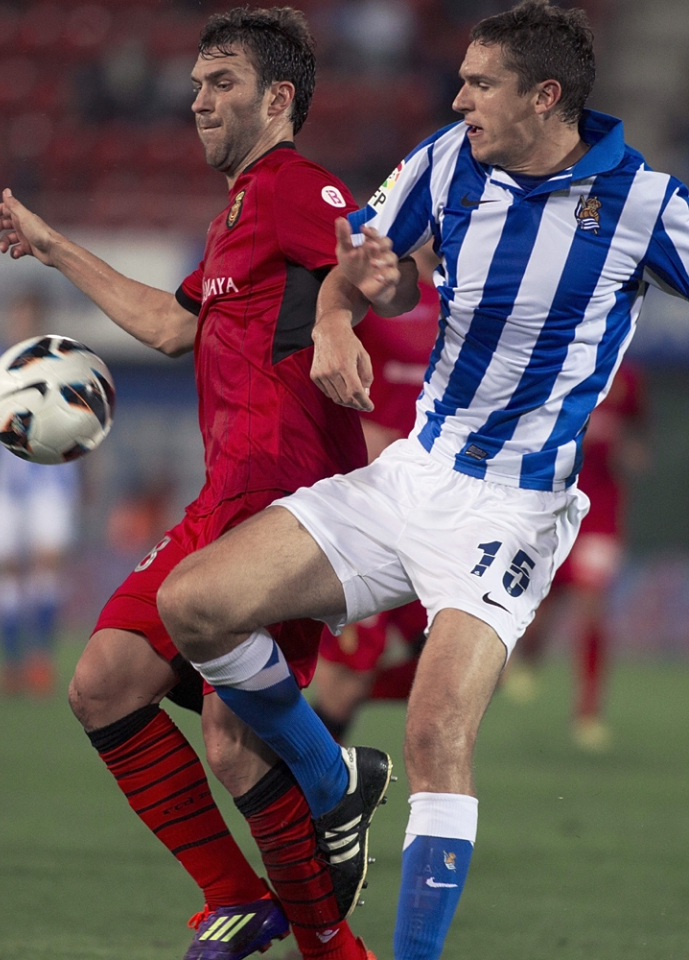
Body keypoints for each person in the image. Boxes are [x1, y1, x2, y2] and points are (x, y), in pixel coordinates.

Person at [156, 3, 689, 958]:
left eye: (481, 84)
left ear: (545, 97)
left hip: (513, 510)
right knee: (193, 605)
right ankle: (329, 779)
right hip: (410, 475)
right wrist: (339, 315)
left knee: (438, 735)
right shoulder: (447, 159)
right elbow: (373, 276)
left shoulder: (646, 206)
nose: (459, 98)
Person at [0, 8, 382, 960]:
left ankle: (338, 946)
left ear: (278, 98)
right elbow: (173, 326)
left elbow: (373, 264)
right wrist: (55, 248)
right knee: (104, 682)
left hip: (287, 504)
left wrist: (338, 321)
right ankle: (240, 896)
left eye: (223, 83)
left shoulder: (298, 189)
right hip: (221, 503)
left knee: (234, 743)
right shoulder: (238, 213)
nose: (198, 100)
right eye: (197, 83)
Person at [312, 244, 439, 744]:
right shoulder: (370, 288)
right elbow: (318, 364)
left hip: (434, 507)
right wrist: (355, 433)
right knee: (343, 685)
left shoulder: (470, 292)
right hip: (370, 501)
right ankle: (301, 785)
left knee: (466, 663)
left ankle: (284, 739)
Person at [504, 360, 648, 751]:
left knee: (591, 603)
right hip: (555, 505)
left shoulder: (630, 379)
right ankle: (528, 658)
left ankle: (588, 713)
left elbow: (637, 438)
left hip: (602, 512)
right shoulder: (565, 358)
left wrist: (629, 453)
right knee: (546, 604)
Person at [0, 289, 79, 698]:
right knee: (7, 570)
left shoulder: (65, 361)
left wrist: (88, 477)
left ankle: (40, 660)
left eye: (30, 316)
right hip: (2, 486)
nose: (22, 323)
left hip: (52, 481)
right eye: (17, 316)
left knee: (48, 565)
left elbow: (90, 422)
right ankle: (10, 663)